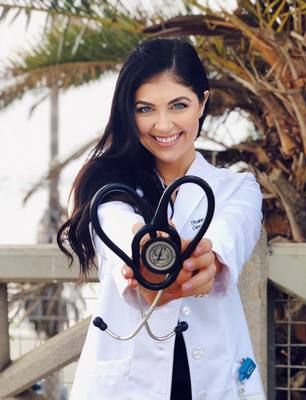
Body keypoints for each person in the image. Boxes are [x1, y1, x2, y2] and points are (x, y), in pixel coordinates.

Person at [57, 38, 265, 400]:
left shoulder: (238, 188)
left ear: (203, 102)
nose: (163, 124)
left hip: (215, 380)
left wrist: (206, 258)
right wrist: (144, 251)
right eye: (145, 109)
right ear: (128, 113)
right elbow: (116, 224)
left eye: (178, 105)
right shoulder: (106, 187)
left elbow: (230, 232)